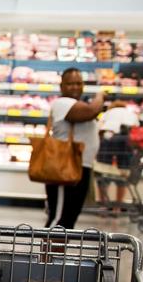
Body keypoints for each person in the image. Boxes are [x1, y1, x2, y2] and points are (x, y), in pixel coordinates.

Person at [43, 68, 105, 229]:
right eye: (70, 83)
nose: (75, 87)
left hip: (79, 168)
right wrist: (100, 96)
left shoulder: (76, 104)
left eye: (78, 83)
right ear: (61, 86)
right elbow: (92, 111)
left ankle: (56, 254)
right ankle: (46, 254)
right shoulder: (62, 103)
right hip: (65, 169)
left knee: (68, 219)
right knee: (59, 220)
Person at [96, 100, 141, 209]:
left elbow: (98, 128)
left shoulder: (107, 113)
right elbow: (136, 130)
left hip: (107, 144)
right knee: (122, 179)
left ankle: (103, 205)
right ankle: (117, 207)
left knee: (102, 177)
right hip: (125, 146)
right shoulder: (131, 114)